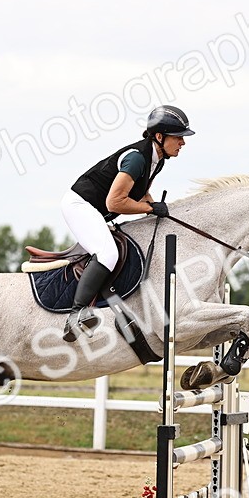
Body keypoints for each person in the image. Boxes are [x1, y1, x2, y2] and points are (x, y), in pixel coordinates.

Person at [60, 105, 194, 342]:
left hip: (95, 209)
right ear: (160, 137)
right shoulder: (136, 158)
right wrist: (151, 208)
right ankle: (76, 315)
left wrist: (154, 209)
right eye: (179, 137)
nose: (183, 143)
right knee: (107, 254)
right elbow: (115, 202)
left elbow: (140, 193)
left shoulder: (157, 159)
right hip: (80, 206)